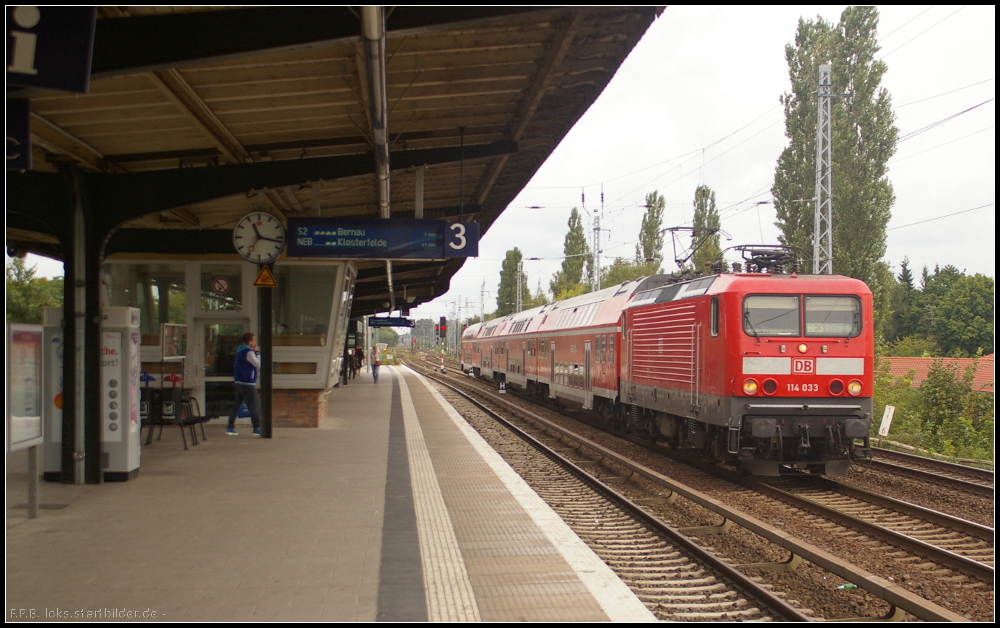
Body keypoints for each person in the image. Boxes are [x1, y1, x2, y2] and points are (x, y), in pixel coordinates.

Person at [227, 332, 261, 436]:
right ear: (250, 341)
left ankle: (230, 427)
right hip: (248, 382)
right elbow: (258, 364)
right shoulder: (249, 352)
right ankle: (257, 428)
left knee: (236, 405)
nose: (255, 342)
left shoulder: (239, 351)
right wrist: (258, 353)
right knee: (253, 405)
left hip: (239, 381)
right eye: (254, 340)